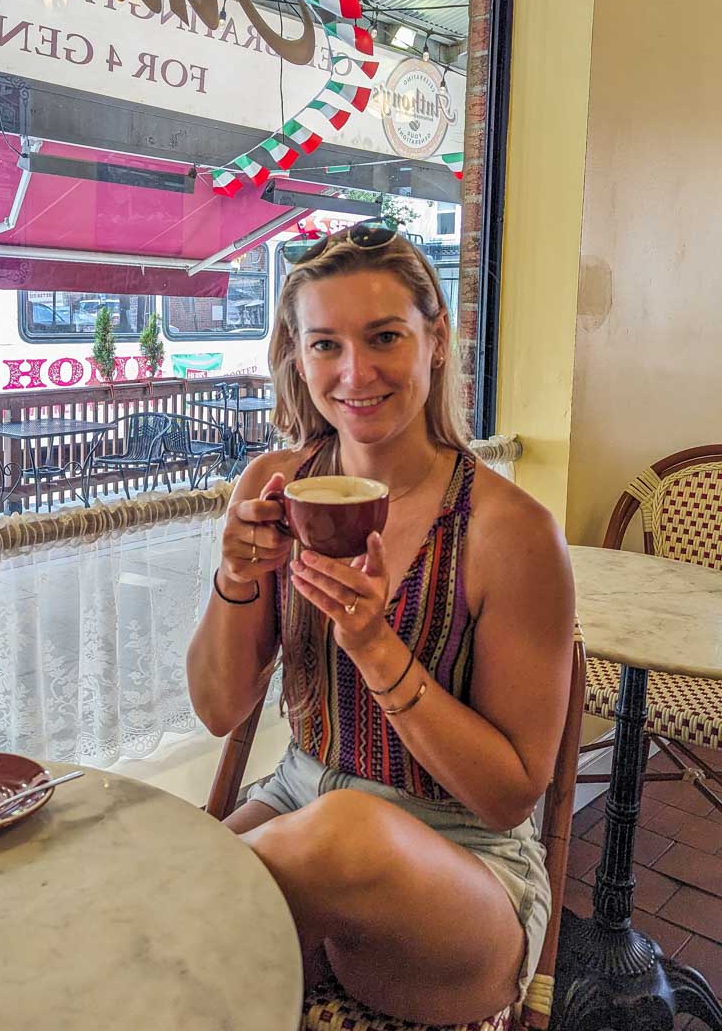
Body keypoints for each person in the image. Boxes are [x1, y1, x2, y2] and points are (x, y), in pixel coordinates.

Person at [186, 222, 575, 1026]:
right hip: (299, 801)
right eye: (326, 344)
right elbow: (219, 709)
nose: (355, 373)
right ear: (297, 357)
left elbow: (508, 797)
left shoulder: (511, 533)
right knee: (171, 888)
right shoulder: (274, 485)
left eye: (385, 337)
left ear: (437, 341)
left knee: (336, 837)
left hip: (466, 868)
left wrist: (377, 649)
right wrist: (235, 580)